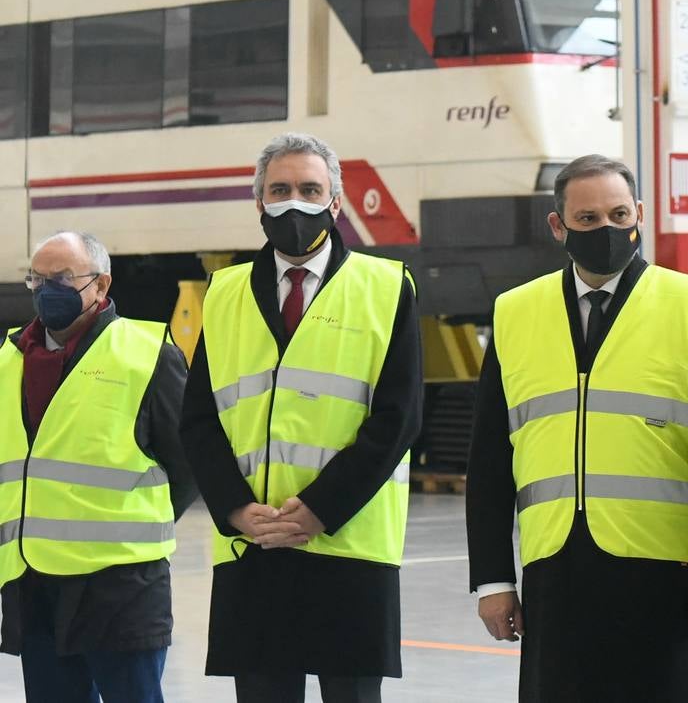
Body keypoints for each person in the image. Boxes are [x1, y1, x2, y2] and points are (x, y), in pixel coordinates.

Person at [466, 154, 688, 703]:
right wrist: (494, 579)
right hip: (556, 571)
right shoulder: (514, 312)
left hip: (664, 576)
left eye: (619, 214)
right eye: (589, 219)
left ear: (639, 214)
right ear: (559, 226)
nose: (608, 230)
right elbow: (488, 460)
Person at [179, 132, 422, 703]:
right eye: (280, 189)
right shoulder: (224, 293)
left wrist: (319, 510)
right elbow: (198, 420)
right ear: (259, 202)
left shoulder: (387, 289)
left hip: (347, 544)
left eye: (311, 189)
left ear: (335, 203)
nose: (295, 202)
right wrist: (236, 508)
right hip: (253, 545)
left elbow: (399, 419)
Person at [0, 230, 195, 703]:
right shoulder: (7, 360)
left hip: (121, 586)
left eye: (62, 278)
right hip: (34, 584)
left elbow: (188, 463)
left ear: (102, 286)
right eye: (37, 279)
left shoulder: (146, 353)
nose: (48, 291)